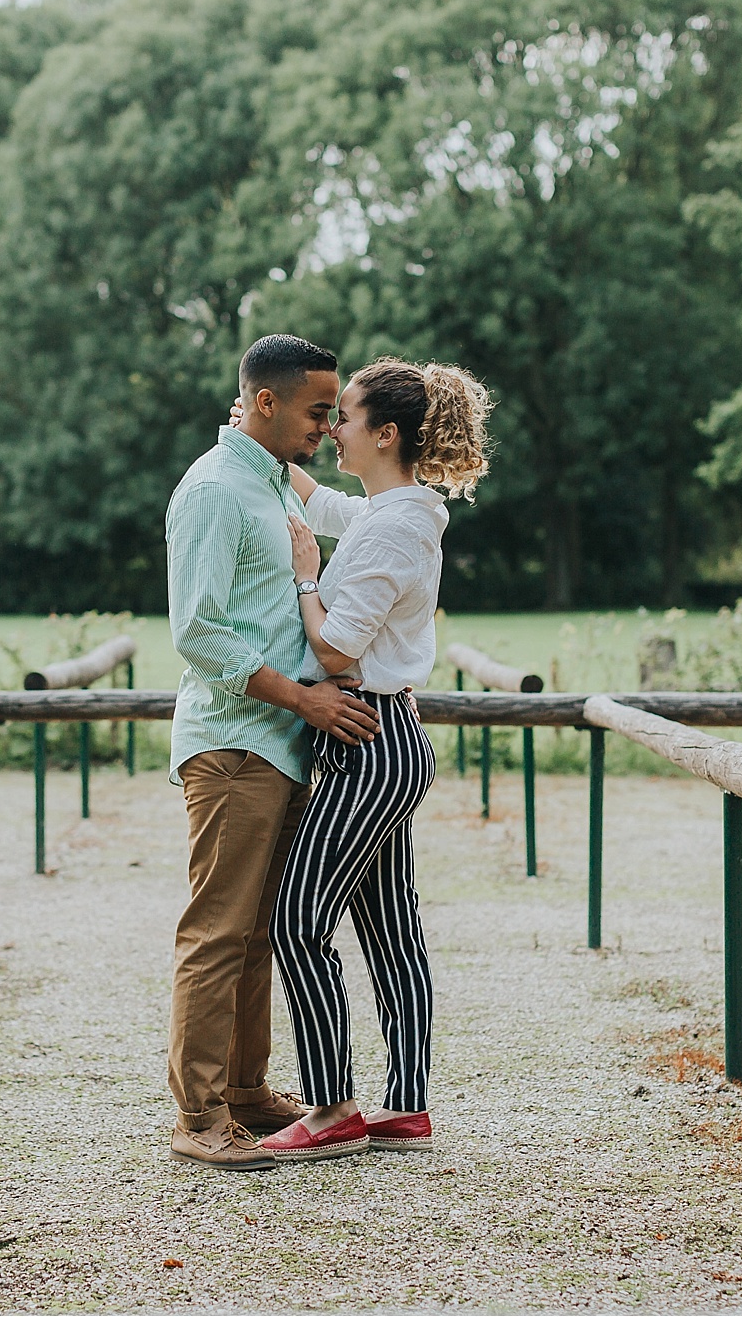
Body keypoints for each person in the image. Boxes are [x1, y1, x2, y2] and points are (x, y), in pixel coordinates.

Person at [244, 356, 495, 1162]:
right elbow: (320, 503)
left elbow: (339, 645)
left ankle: (330, 1108)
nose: (331, 429)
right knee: (390, 931)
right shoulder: (395, 511)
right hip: (382, 735)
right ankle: (408, 1107)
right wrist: (254, 430)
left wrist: (307, 580)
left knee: (297, 919)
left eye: (343, 417)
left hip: (370, 743)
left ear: (385, 434)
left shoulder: (397, 524)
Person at [163, 333, 384, 1171]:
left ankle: (248, 1091)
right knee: (218, 932)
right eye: (318, 411)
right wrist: (302, 698)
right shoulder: (216, 492)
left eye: (335, 414)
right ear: (265, 403)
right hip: (234, 742)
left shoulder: (267, 484)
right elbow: (197, 632)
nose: (329, 428)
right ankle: (196, 1112)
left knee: (258, 932)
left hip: (284, 744)